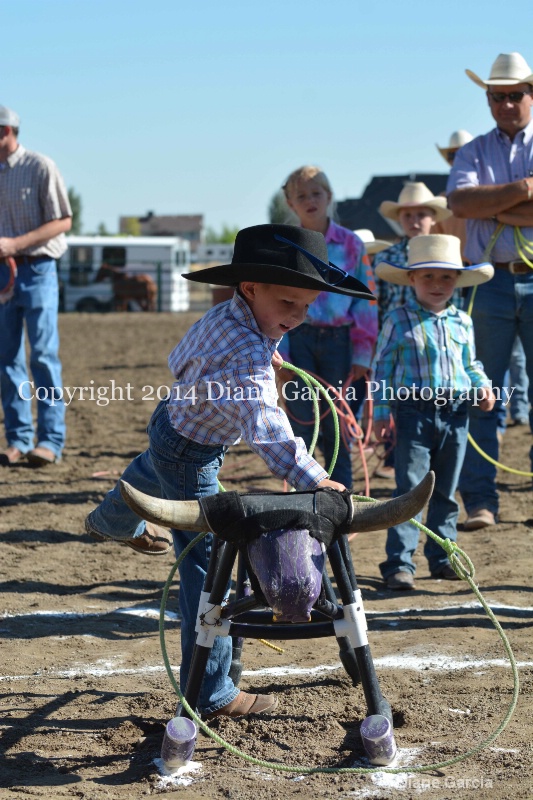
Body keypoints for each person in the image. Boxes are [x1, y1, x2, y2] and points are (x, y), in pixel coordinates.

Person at [85, 224, 375, 719]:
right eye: (289, 304)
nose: (297, 317)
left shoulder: (227, 318)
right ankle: (212, 690)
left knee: (148, 473)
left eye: (305, 307)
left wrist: (267, 348)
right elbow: (267, 426)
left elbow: (181, 358)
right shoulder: (245, 358)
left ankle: (110, 521)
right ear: (251, 288)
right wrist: (311, 477)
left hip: (173, 419)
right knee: (205, 559)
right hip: (194, 448)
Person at [370, 235, 495, 590]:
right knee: (411, 488)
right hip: (413, 413)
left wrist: (483, 386)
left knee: (446, 489)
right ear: (411, 280)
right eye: (428, 277)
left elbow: (471, 364)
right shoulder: (397, 319)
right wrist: (381, 413)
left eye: (446, 277)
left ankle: (443, 556)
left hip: (456, 413)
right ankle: (399, 563)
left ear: (457, 281)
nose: (438, 285)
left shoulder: (462, 322)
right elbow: (383, 369)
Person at [447, 51, 533, 530]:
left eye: (513, 95)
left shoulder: (475, 156)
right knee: (483, 393)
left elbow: (474, 202)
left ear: (530, 95)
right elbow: (459, 200)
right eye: (496, 96)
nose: (504, 103)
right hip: (490, 279)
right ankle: (480, 502)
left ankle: (484, 499)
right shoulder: (473, 150)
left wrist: (495, 207)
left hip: (517, 276)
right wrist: (524, 189)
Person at [276, 165, 378, 489]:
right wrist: (282, 355)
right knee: (300, 426)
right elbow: (275, 302)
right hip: (297, 338)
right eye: (301, 196)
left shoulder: (351, 245)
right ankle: (300, 508)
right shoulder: (285, 246)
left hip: (340, 342)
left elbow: (365, 301)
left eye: (316, 193)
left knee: (338, 429)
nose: (310, 200)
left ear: (329, 197)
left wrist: (363, 353)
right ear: (291, 204)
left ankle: (341, 505)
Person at [0, 105, 72, 467]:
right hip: (3, 272)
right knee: (6, 358)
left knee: (42, 356)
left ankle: (50, 440)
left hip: (38, 269)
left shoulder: (40, 167)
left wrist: (15, 244)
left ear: (8, 131)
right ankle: (18, 439)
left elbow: (63, 220)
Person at [371, 182, 454, 479]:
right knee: (396, 399)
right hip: (397, 340)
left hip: (435, 342)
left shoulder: (448, 256)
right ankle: (398, 459)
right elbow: (377, 302)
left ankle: (429, 461)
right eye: (407, 215)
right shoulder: (386, 258)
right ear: (400, 219)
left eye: (421, 214)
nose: (415, 221)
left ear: (433, 217)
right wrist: (376, 339)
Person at [434, 130, 474, 257]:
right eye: (453, 155)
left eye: (464, 153)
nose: (459, 158)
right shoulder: (439, 202)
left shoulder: (492, 194)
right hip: (455, 272)